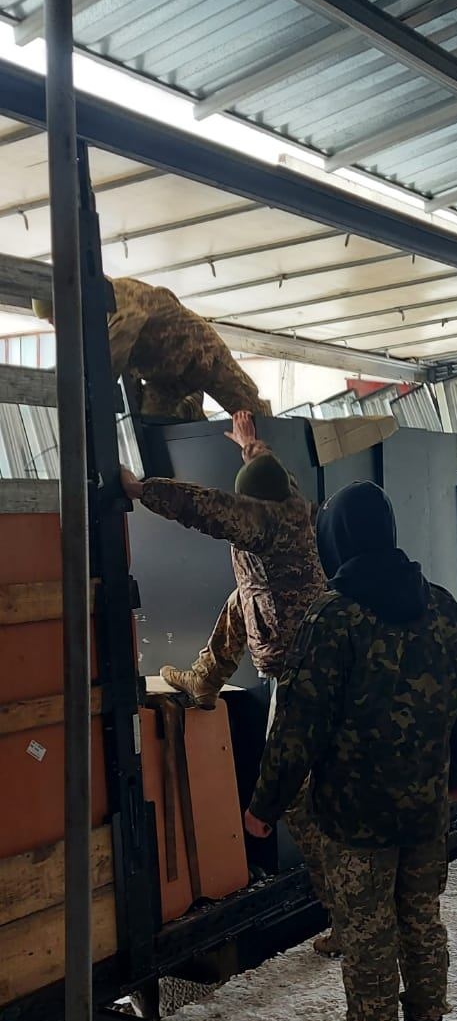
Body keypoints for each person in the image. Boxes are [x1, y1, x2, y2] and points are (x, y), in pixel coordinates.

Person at [245, 481, 457, 1021]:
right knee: (422, 924)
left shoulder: (334, 616)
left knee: (369, 936)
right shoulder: (439, 604)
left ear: (337, 540)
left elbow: (298, 725)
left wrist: (264, 805)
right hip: (427, 810)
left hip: (356, 818)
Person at [119, 412, 340, 956]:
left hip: (294, 672)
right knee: (242, 598)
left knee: (295, 795)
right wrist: (249, 445)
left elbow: (207, 507)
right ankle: (205, 678)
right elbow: (269, 471)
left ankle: (345, 913)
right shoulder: (290, 498)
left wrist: (142, 490)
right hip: (316, 651)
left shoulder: (264, 522)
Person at [34, 275, 269, 421]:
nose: (55, 326)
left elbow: (108, 360)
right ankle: (191, 408)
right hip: (163, 377)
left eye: (56, 318)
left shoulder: (117, 298)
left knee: (252, 414)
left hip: (200, 352)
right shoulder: (92, 317)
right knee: (152, 426)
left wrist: (87, 388)